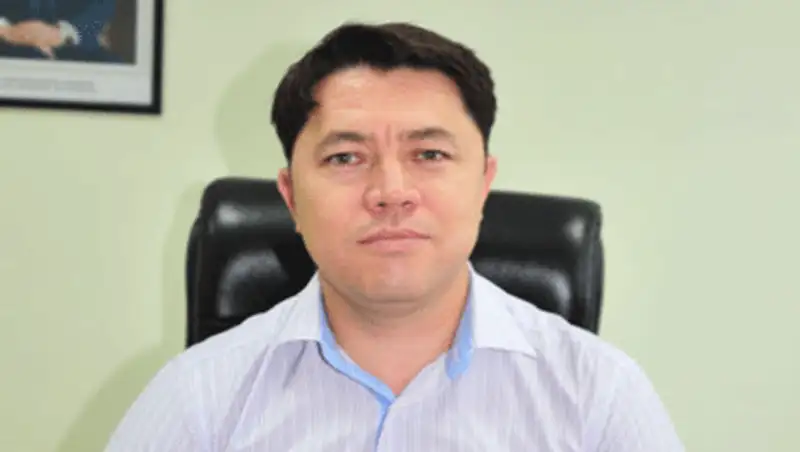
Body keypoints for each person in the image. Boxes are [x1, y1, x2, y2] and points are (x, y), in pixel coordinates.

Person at [105, 22, 685, 451]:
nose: (391, 191)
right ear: (291, 198)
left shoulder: (598, 395)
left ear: (484, 183)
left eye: (429, 154)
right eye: (345, 157)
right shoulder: (200, 397)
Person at [0, 0, 118, 63]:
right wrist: (7, 31)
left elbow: (101, 5)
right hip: (4, 45)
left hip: (72, 46)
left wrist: (60, 34)